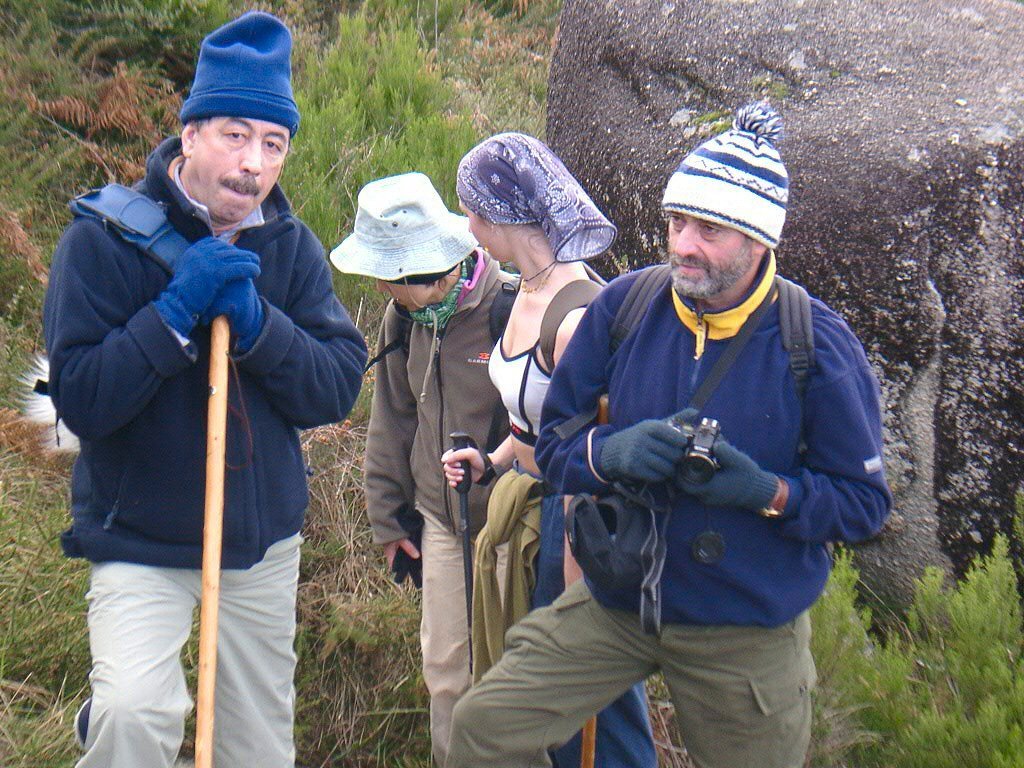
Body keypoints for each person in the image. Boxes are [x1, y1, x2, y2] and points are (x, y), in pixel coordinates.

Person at [445, 104, 892, 768]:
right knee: (483, 728)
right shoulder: (626, 307)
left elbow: (863, 506)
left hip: (743, 623)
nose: (684, 244)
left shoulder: (815, 344)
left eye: (710, 230)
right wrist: (611, 454)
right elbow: (557, 447)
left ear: (758, 240)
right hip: (619, 601)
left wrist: (766, 493)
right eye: (677, 222)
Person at [42, 12, 367, 768]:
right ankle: (114, 713)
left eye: (273, 143)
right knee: (133, 714)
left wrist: (257, 326)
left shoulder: (290, 247)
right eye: (234, 134)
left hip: (258, 547)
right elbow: (82, 401)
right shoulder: (102, 240)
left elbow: (335, 388)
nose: (252, 163)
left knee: (258, 750)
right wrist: (174, 313)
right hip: (139, 538)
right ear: (190, 135)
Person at [443, 132, 657, 768]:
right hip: (533, 510)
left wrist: (579, 564)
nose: (468, 227)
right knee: (549, 707)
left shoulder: (578, 319)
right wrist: (492, 462)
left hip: (575, 520)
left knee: (594, 709)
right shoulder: (520, 295)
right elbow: (535, 424)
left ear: (503, 215)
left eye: (473, 211)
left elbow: (597, 448)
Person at [329, 171, 516, 766]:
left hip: (513, 526)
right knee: (446, 670)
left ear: (423, 272)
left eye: (384, 273)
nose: (378, 284)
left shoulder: (511, 308)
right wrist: (389, 519)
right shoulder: (403, 317)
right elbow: (393, 418)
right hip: (439, 520)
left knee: (509, 674)